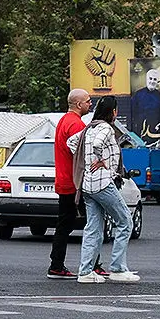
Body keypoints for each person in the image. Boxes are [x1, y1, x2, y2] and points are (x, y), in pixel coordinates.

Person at [67, 96, 139, 284]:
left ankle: (85, 271)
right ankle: (117, 268)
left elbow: (71, 142)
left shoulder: (89, 128)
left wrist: (87, 159)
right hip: (103, 183)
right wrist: (102, 161)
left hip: (87, 185)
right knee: (125, 222)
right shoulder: (106, 128)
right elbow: (99, 144)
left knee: (93, 228)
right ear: (113, 111)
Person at [48, 89, 108, 280]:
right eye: (88, 102)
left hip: (65, 180)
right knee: (93, 222)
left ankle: (57, 265)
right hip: (75, 182)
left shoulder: (63, 121)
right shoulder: (75, 125)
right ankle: (90, 265)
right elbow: (83, 154)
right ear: (79, 104)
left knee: (65, 224)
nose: (91, 105)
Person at [128, 65, 160, 139]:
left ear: (157, 81)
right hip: (139, 133)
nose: (152, 81)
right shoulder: (138, 95)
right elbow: (132, 115)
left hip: (155, 133)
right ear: (146, 79)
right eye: (150, 78)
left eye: (155, 79)